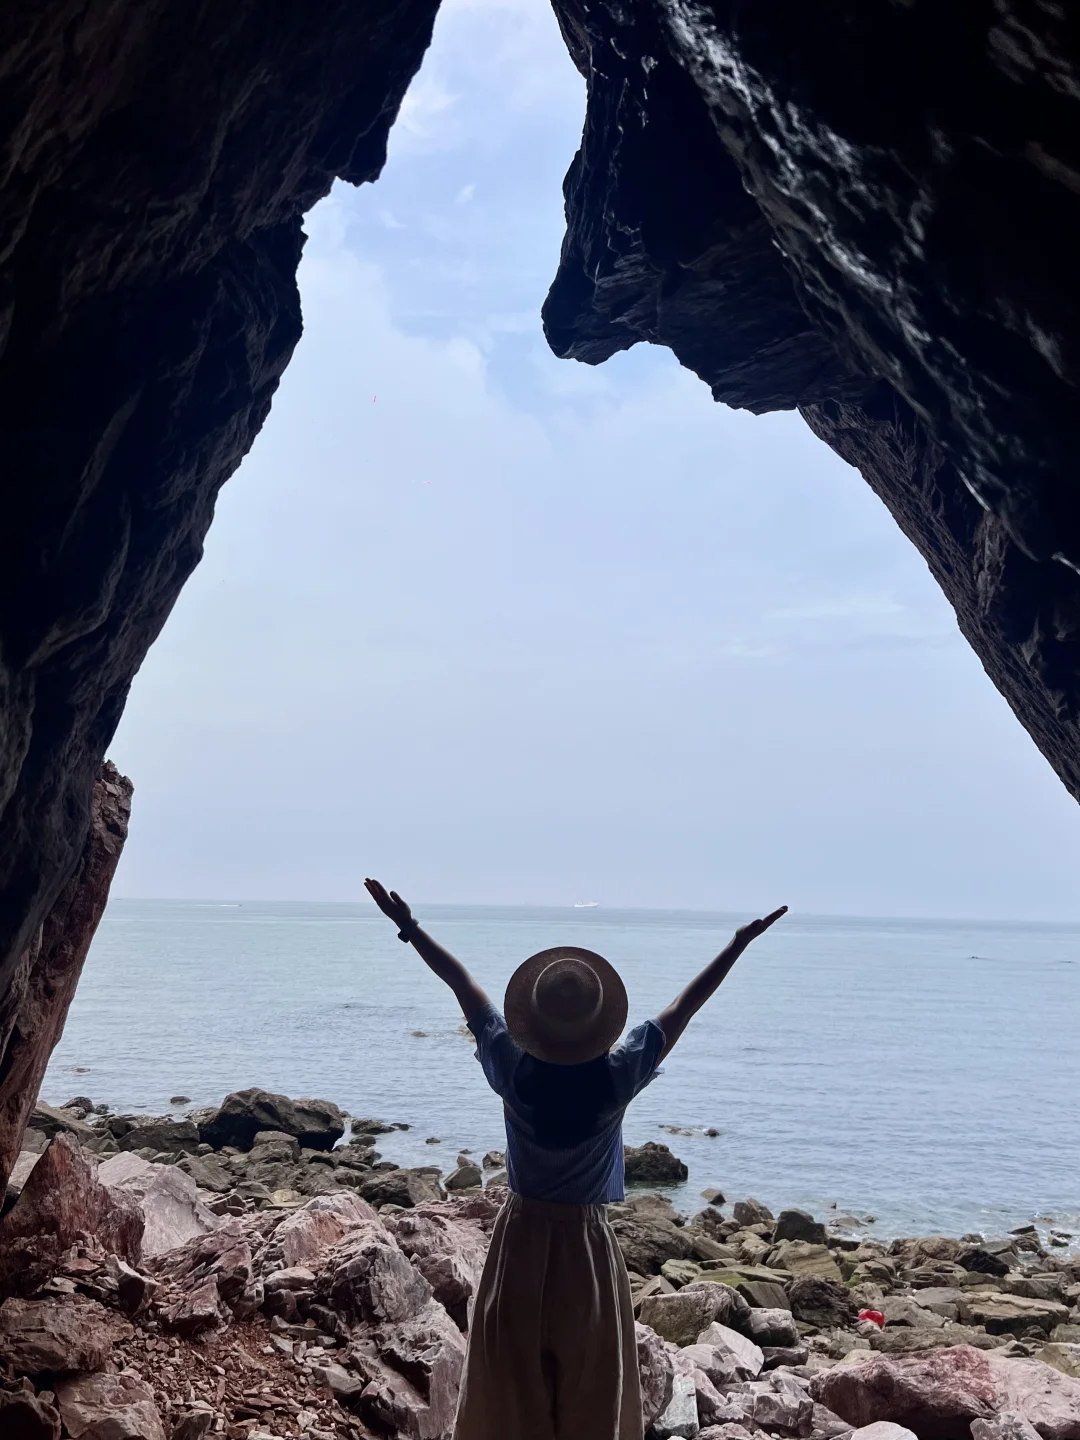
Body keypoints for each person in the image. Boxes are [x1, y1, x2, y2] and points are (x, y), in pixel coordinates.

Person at [364, 878, 787, 1440]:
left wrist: (409, 927)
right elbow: (682, 1009)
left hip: (521, 1239)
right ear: (598, 1022)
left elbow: (463, 987)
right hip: (586, 1247)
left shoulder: (511, 1068)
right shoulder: (617, 1078)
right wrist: (736, 945)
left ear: (533, 1021)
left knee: (510, 1388)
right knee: (591, 1393)